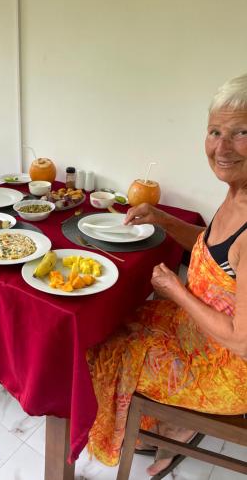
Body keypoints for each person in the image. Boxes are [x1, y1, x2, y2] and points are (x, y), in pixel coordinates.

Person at [87, 72, 247, 477]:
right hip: (203, 335)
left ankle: (167, 427)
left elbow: (241, 340)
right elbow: (211, 248)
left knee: (110, 351)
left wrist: (176, 290)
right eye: (214, 131)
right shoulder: (237, 192)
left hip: (229, 370)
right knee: (108, 322)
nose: (222, 147)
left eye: (241, 132)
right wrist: (161, 219)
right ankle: (164, 423)